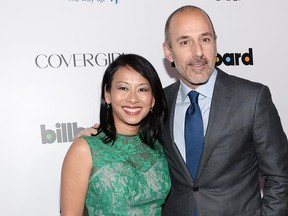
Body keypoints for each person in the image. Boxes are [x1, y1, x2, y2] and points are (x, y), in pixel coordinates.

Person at [76, 5, 288, 216]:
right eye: (185, 42)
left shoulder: (252, 98)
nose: (198, 52)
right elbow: (129, 141)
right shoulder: (158, 102)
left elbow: (280, 176)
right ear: (168, 51)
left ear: (215, 42)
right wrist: (94, 140)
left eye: (205, 39)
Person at [60, 53, 171, 216]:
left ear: (153, 99)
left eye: (142, 89)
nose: (133, 99)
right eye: (123, 88)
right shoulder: (85, 149)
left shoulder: (159, 145)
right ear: (107, 94)